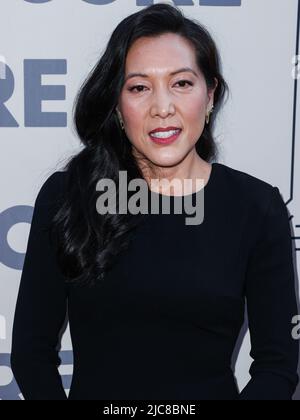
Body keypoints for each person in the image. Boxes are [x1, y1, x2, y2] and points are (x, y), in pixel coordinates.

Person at [11, 3, 299, 400]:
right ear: (116, 104)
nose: (162, 108)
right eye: (139, 87)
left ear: (210, 93)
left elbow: (278, 365)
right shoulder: (69, 196)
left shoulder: (256, 207)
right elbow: (30, 353)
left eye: (181, 83)